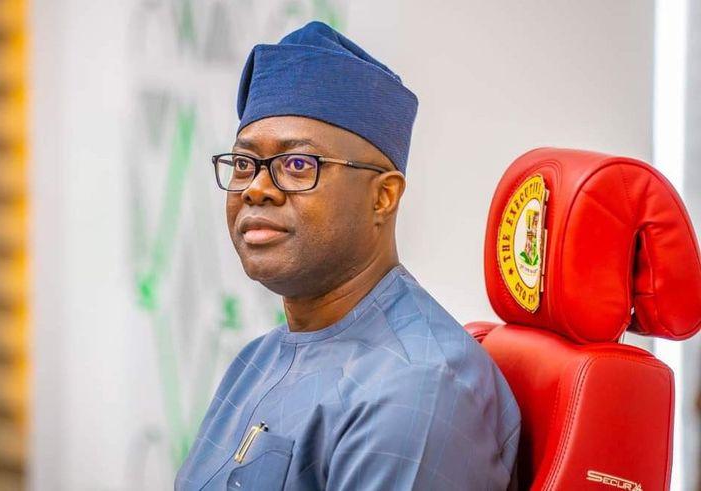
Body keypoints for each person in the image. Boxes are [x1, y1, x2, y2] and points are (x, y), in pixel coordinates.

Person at [175, 21, 520, 490]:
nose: (256, 188)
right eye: (243, 163)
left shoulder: (414, 388)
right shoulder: (257, 359)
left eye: (298, 164)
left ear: (382, 197)